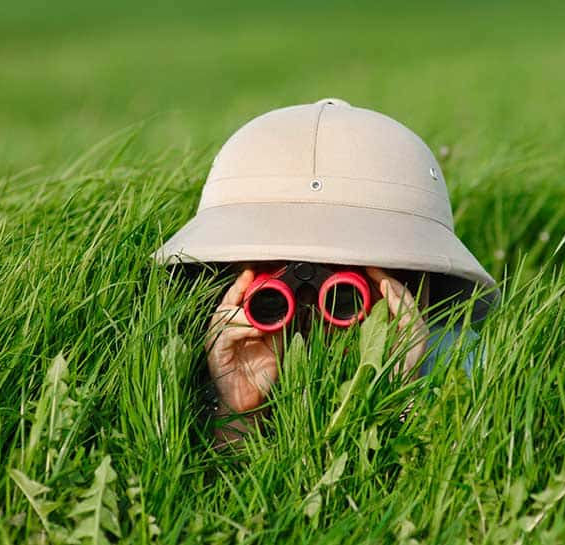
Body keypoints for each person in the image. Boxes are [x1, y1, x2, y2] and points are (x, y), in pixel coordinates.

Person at [154, 98, 497, 445]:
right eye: (273, 288)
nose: (312, 305)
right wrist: (237, 410)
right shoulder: (196, 360)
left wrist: (396, 392)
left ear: (408, 280)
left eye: (345, 294)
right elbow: (210, 496)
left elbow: (442, 491)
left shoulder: (458, 360)